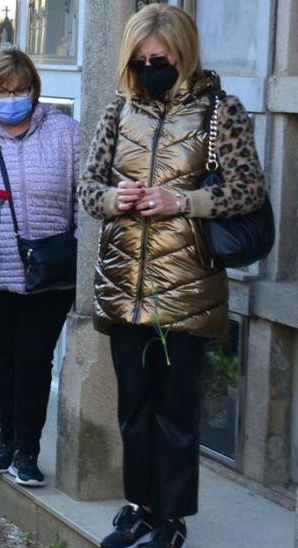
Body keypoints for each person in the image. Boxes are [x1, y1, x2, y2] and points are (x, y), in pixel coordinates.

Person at [78, 6, 266, 548]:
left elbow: (248, 190)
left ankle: (173, 519)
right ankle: (139, 505)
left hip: (187, 287)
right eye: (138, 62)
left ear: (182, 54)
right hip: (123, 286)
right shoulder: (119, 109)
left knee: (176, 413)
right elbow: (89, 189)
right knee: (134, 409)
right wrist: (118, 198)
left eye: (158, 60)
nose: (148, 69)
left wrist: (184, 199)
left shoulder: (219, 112)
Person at [0, 46, 79, 488]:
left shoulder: (66, 133)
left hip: (52, 272)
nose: (12, 97)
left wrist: (77, 249)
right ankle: (5, 438)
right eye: (2, 89)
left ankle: (28, 449)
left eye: (21, 89)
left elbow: (86, 199)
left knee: (36, 357)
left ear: (34, 90)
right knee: (6, 355)